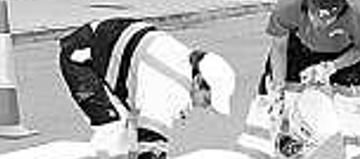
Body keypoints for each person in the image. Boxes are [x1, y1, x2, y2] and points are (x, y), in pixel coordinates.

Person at [236, 0, 360, 159]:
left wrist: (330, 67)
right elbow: (278, 48)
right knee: (274, 102)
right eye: (316, 15)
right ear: (307, 4)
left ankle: (359, 154)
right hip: (300, 44)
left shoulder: (356, 12)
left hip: (344, 49)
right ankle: (288, 147)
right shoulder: (288, 5)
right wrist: (278, 90)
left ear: (341, 9)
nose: (321, 23)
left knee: (353, 110)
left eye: (328, 18)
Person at [59, 17, 237, 159]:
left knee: (128, 130)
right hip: (80, 58)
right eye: (207, 99)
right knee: (112, 128)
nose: (206, 107)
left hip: (106, 42)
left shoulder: (184, 61)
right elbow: (152, 143)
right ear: (198, 81)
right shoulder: (168, 89)